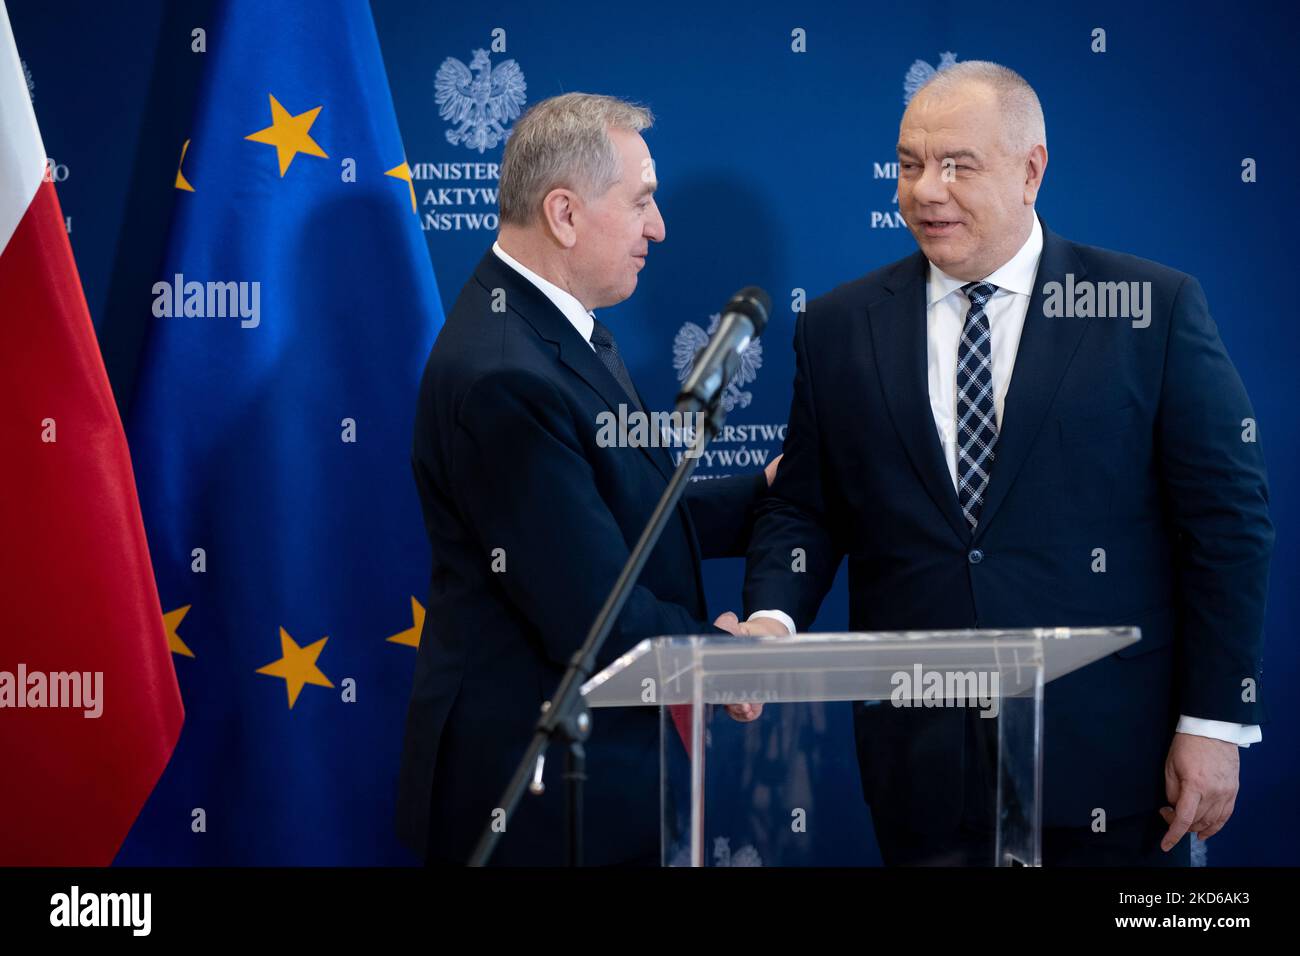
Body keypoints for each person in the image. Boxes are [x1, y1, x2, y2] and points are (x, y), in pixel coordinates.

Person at [739, 61, 1272, 865]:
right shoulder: (841, 325)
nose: (925, 190)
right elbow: (806, 507)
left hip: (1113, 762)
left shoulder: (1150, 310)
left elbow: (1227, 526)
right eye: (910, 163)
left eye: (957, 164)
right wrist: (774, 620)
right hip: (921, 772)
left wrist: (1212, 722)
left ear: (1032, 170)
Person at [396, 93, 772, 866]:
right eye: (641, 201)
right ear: (564, 214)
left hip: (595, 788)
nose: (658, 228)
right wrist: (726, 658)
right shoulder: (506, 372)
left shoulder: (553, 330)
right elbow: (595, 616)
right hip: (535, 808)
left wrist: (766, 491)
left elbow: (623, 525)